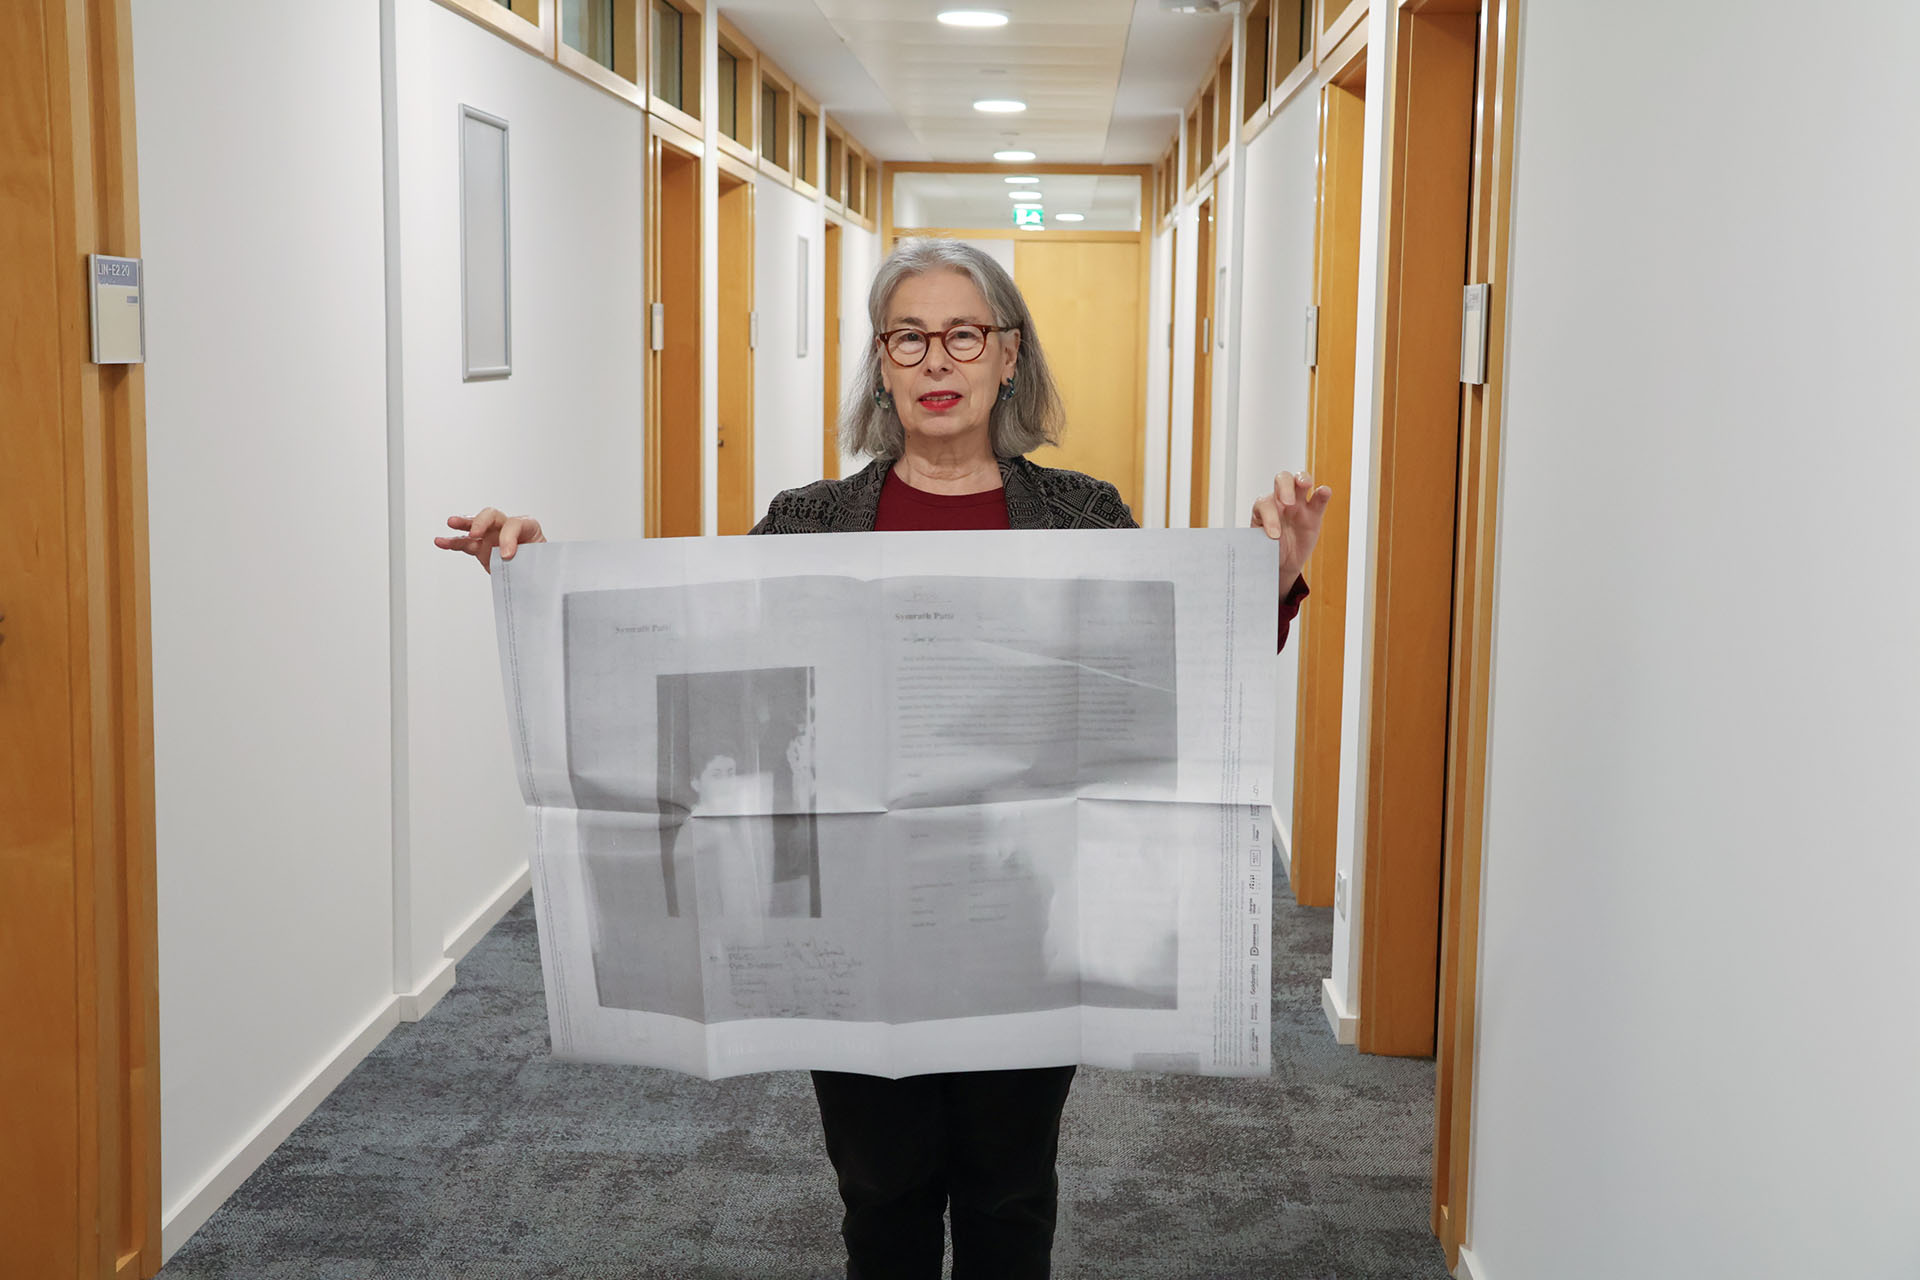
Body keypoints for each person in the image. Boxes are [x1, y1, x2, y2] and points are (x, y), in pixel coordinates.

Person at [435, 237, 1334, 1279]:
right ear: (882, 362)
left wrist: (1268, 585)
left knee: (1010, 1195)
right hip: (854, 922)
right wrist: (546, 578)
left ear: (1008, 356)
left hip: (1026, 916)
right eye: (910, 337)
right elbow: (700, 668)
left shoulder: (1085, 516)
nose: (937, 360)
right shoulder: (808, 522)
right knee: (881, 1198)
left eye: (964, 334)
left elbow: (1153, 693)